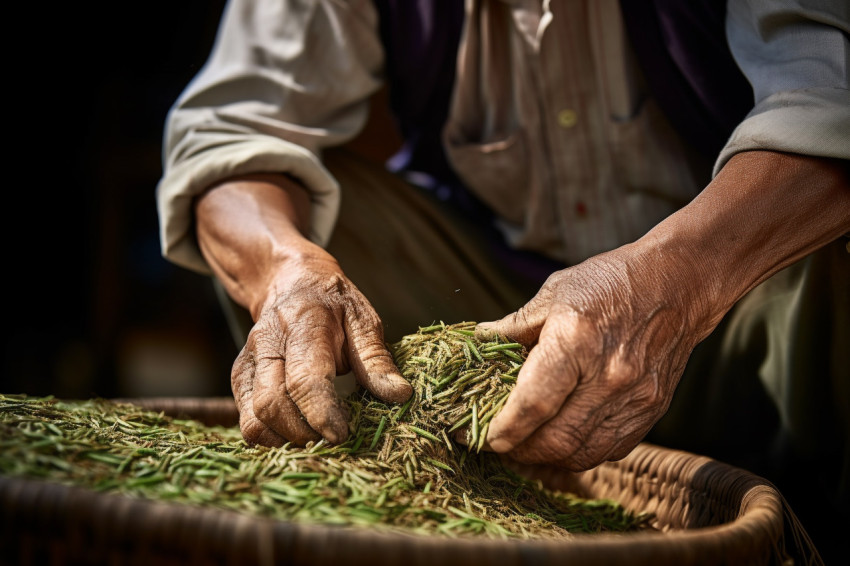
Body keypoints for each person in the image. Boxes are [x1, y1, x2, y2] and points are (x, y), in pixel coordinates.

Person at [157, 0, 849, 559]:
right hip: (498, 320)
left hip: (734, 298)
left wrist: (679, 279)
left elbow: (831, 101)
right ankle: (388, 487)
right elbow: (226, 134)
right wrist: (285, 270)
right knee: (292, 218)